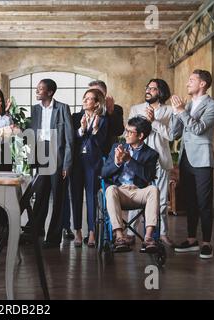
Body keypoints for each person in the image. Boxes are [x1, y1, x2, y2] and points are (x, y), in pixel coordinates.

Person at [171, 69, 214, 259]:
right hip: (185, 159)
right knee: (189, 202)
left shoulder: (212, 106)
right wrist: (177, 113)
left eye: (191, 80)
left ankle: (207, 243)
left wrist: (182, 112)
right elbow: (175, 133)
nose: (187, 83)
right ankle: (192, 240)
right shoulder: (188, 104)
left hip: (202, 160)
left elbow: (198, 129)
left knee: (204, 203)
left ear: (202, 84)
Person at [127, 79, 175, 247]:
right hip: (138, 161)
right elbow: (131, 133)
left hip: (160, 160)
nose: (148, 90)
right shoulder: (136, 109)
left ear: (160, 92)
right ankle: (130, 232)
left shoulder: (170, 111)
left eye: (153, 88)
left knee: (161, 200)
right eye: (147, 87)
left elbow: (171, 135)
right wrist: (145, 122)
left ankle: (162, 234)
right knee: (136, 196)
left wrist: (154, 121)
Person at [102, 116, 160, 253]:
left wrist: (129, 160)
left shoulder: (151, 154)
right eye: (126, 130)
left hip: (139, 191)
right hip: (120, 191)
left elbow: (149, 176)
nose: (125, 134)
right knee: (110, 189)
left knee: (153, 189)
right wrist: (116, 162)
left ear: (140, 136)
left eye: (130, 132)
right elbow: (104, 173)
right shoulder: (116, 147)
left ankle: (148, 237)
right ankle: (119, 236)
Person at [29, 79, 74, 248]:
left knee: (58, 198)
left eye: (40, 89)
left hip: (58, 155)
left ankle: (54, 238)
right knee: (40, 194)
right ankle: (35, 230)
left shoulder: (62, 108)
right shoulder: (35, 110)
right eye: (37, 88)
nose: (37, 91)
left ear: (50, 92)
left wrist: (67, 164)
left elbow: (69, 139)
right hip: (41, 152)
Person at [69, 89, 108, 247]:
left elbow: (101, 143)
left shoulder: (104, 120)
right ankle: (77, 231)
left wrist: (96, 129)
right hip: (77, 162)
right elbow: (72, 137)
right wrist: (82, 129)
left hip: (93, 163)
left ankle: (92, 232)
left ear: (97, 103)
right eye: (84, 98)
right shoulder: (76, 117)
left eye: (89, 99)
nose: (85, 101)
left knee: (92, 197)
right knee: (76, 196)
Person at [88, 80, 124, 156]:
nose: (92, 95)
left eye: (96, 92)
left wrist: (110, 111)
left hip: (109, 152)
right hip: (89, 152)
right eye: (90, 92)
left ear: (104, 94)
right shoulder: (85, 109)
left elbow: (119, 131)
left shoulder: (116, 109)